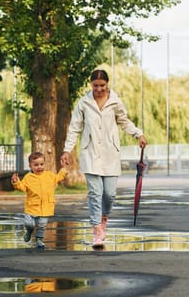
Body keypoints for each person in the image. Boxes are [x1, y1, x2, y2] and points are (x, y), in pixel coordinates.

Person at [60, 69, 147, 247]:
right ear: (90, 84)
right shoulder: (83, 103)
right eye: (95, 85)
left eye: (102, 85)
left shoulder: (115, 101)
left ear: (107, 84)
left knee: (110, 193)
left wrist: (138, 134)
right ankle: (97, 228)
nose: (99, 89)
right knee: (95, 193)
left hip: (110, 154)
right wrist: (67, 150)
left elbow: (124, 121)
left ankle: (104, 217)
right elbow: (74, 127)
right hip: (90, 153)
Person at [11, 152, 68, 249]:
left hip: (46, 207)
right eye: (36, 165)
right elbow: (22, 187)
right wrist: (16, 182)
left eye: (41, 164)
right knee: (29, 224)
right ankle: (29, 232)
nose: (39, 167)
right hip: (32, 207)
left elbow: (59, 177)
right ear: (30, 166)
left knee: (42, 225)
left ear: (45, 164)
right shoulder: (28, 177)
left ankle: (39, 240)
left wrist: (63, 169)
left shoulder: (49, 175)